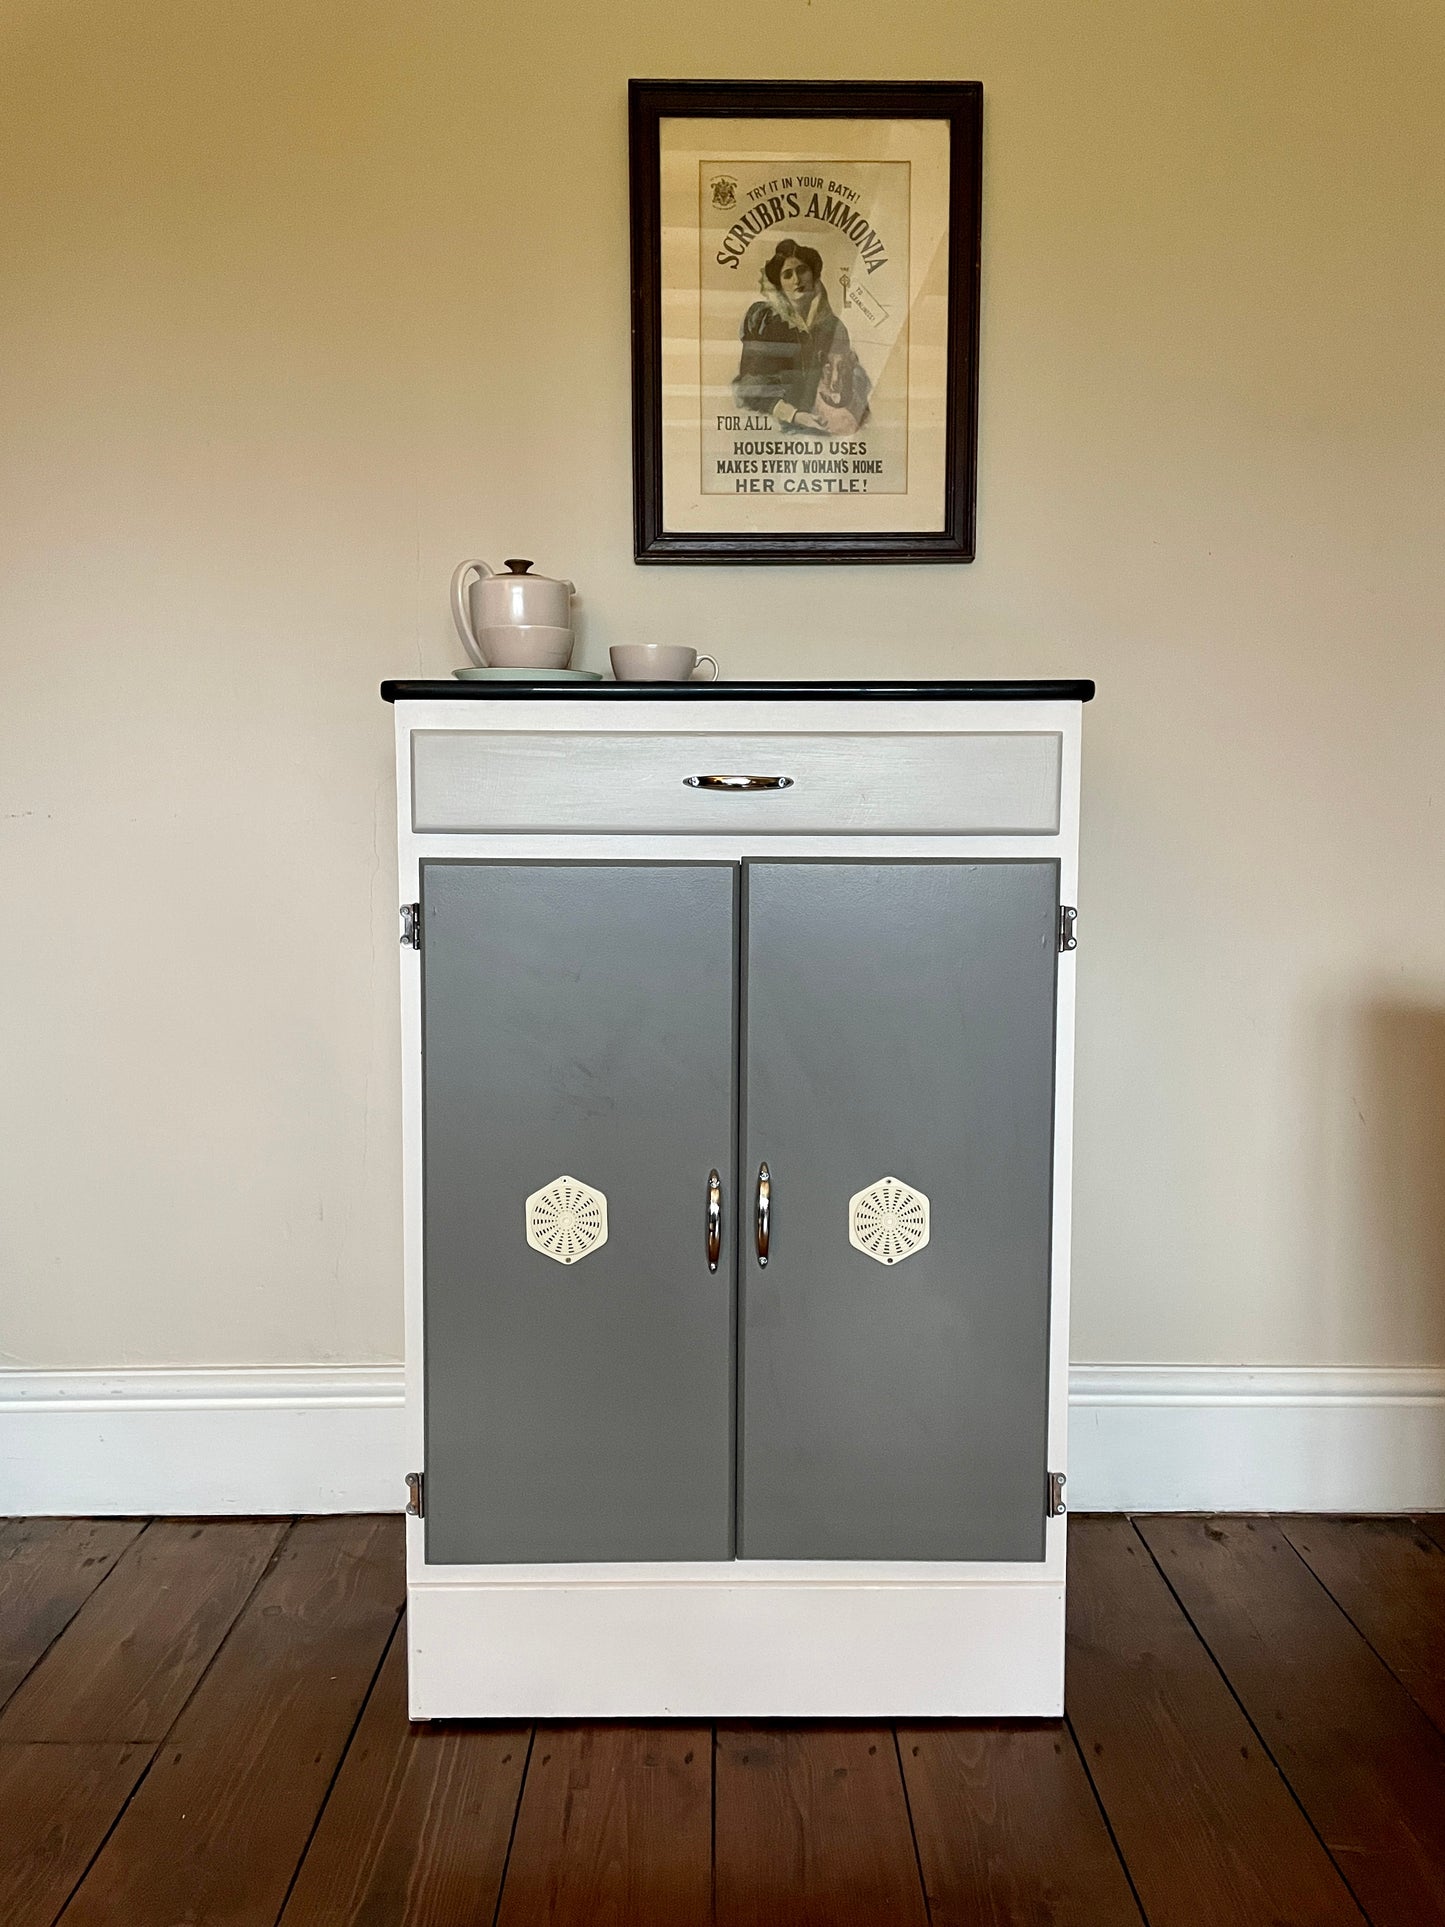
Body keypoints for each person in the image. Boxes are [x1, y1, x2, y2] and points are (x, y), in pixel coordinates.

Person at [733, 239, 850, 433]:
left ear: (813, 274)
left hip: (825, 424)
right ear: (779, 284)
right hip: (773, 425)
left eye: (802, 270)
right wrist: (794, 415)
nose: (796, 280)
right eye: (787, 275)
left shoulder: (834, 327)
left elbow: (844, 380)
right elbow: (750, 386)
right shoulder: (765, 322)